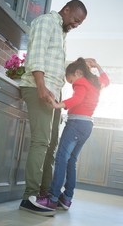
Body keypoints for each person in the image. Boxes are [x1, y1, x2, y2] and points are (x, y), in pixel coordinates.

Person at [19, 0, 87, 216]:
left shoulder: (61, 32)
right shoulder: (47, 21)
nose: (77, 24)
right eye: (76, 19)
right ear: (66, 10)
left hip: (53, 93)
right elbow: (36, 55)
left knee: (52, 146)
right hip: (39, 88)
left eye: (80, 23)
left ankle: (45, 195)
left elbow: (54, 62)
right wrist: (40, 85)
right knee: (41, 142)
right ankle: (29, 197)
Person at [29, 57, 110, 216]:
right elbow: (107, 79)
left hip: (75, 124)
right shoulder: (95, 83)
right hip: (87, 125)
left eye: (71, 79)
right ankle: (66, 198)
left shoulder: (81, 83)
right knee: (71, 161)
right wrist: (97, 66)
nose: (72, 83)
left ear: (78, 73)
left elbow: (77, 98)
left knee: (61, 159)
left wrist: (57, 104)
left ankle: (51, 199)